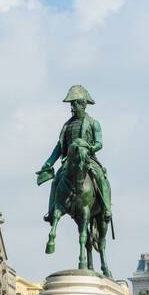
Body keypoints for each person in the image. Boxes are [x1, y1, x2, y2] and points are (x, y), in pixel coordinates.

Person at [39, 85, 112, 224]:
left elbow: (99, 143)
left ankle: (106, 208)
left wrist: (89, 148)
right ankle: (51, 211)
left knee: (100, 177)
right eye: (71, 105)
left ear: (83, 104)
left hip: (88, 158)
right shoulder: (67, 126)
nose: (72, 107)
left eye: (74, 104)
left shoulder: (93, 123)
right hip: (69, 161)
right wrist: (49, 162)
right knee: (55, 181)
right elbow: (59, 147)